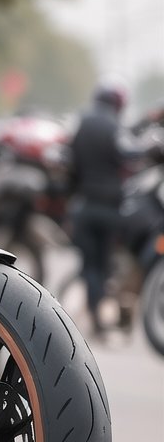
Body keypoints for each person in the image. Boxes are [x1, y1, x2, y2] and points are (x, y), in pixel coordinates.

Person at [67, 80, 141, 336]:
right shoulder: (115, 127)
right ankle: (101, 317)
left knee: (89, 267)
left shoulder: (83, 123)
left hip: (85, 205)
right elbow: (130, 156)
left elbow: (71, 161)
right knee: (103, 264)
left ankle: (96, 317)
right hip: (111, 208)